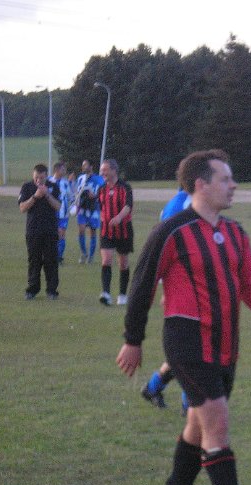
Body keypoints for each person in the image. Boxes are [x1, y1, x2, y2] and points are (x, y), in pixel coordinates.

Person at [116, 149, 251, 485]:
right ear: (201, 185)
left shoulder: (234, 232)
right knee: (217, 421)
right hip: (186, 339)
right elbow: (142, 285)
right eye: (226, 179)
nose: (234, 186)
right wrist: (133, 340)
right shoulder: (172, 230)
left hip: (226, 343)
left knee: (198, 426)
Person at [141, 187, 193, 415]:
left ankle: (153, 387)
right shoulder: (181, 205)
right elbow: (166, 248)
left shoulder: (184, 202)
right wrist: (167, 288)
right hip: (183, 288)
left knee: (186, 349)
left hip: (192, 286)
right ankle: (188, 404)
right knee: (191, 349)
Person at [18, 164, 61, 299]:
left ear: (46, 176)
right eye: (36, 177)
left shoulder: (53, 187)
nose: (38, 180)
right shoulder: (27, 187)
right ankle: (32, 289)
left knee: (51, 261)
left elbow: (58, 206)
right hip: (33, 231)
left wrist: (47, 195)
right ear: (33, 175)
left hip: (50, 231)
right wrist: (36, 196)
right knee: (34, 261)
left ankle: (52, 291)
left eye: (41, 178)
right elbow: (22, 208)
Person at [98, 158, 133, 306]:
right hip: (106, 231)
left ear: (113, 170)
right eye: (101, 170)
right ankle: (106, 293)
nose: (102, 173)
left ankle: (123, 294)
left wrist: (118, 217)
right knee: (106, 260)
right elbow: (101, 206)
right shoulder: (101, 189)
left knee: (123, 263)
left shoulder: (125, 187)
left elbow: (128, 206)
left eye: (105, 170)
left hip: (124, 231)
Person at [75, 159, 104, 264]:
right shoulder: (80, 178)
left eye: (85, 165)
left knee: (92, 232)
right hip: (82, 207)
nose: (83, 167)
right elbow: (77, 192)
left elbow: (103, 192)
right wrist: (77, 202)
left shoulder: (99, 179)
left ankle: (91, 257)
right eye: (83, 165)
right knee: (81, 229)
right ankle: (83, 253)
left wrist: (95, 195)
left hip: (93, 208)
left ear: (91, 167)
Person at [48, 162, 74, 265]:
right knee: (52, 235)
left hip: (63, 214)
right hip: (51, 213)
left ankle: (59, 257)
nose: (65, 171)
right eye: (63, 169)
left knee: (61, 234)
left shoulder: (65, 183)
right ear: (57, 170)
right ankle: (51, 255)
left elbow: (71, 196)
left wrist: (74, 205)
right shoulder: (48, 181)